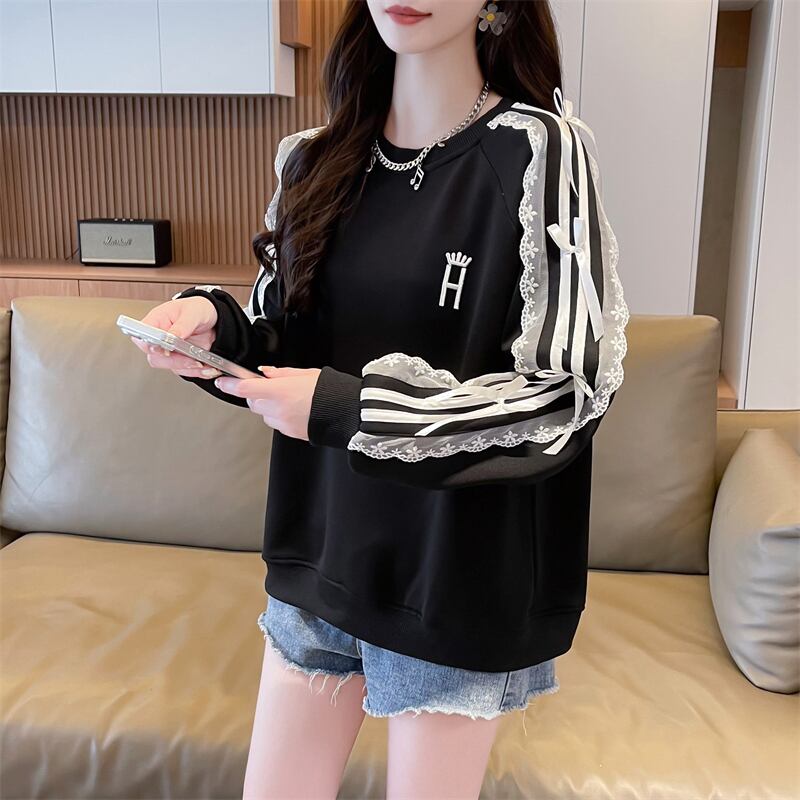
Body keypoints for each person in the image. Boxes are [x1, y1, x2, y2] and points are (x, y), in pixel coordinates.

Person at [131, 1, 630, 797]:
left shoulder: (539, 150)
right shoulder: (314, 158)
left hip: (452, 578)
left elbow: (563, 395)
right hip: (320, 553)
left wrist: (347, 409)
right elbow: (282, 340)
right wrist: (213, 327)